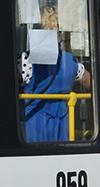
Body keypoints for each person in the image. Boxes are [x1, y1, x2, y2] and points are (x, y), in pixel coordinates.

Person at [20, 14, 89, 143]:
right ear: (60, 35)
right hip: (63, 129)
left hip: (34, 130)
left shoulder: (26, 60)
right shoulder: (71, 61)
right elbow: (89, 81)